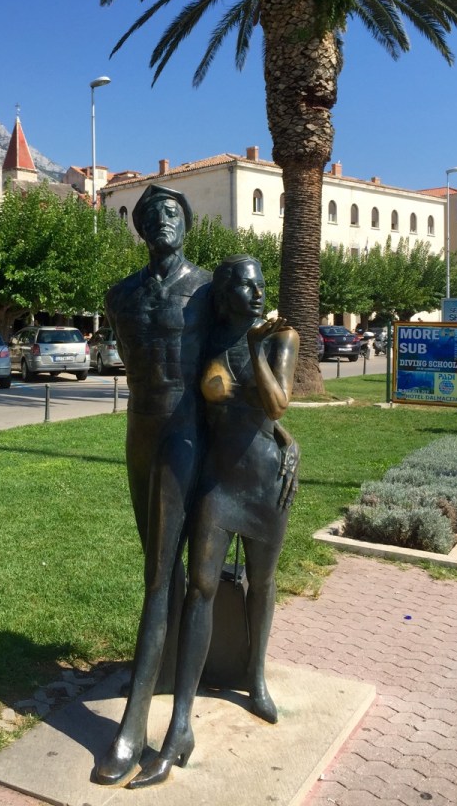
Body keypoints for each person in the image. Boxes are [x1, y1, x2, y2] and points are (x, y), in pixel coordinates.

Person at [128, 254, 300, 789]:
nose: (257, 294)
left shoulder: (281, 338)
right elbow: (194, 406)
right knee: (200, 588)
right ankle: (181, 724)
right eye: (246, 287)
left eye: (261, 285)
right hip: (216, 482)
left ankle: (255, 676)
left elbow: (277, 405)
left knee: (262, 582)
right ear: (225, 294)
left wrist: (287, 436)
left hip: (265, 481)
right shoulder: (208, 341)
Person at [94, 184, 211, 786]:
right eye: (153, 214)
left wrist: (279, 436)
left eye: (173, 212)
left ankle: (136, 726)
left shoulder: (209, 289)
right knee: (159, 568)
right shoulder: (120, 296)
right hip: (140, 432)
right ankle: (168, 694)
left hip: (189, 433)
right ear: (139, 228)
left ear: (187, 224)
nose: (164, 220)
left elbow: (237, 367)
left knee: (162, 577)